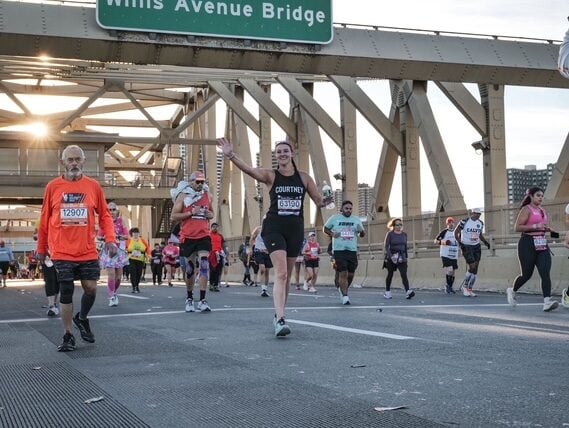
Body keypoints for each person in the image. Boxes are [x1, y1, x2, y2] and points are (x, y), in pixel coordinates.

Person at [219, 137, 330, 337]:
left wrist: (327, 199)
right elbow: (250, 170)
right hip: (274, 227)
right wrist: (231, 155)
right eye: (278, 152)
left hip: (295, 229)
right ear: (276, 156)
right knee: (280, 273)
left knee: (286, 276)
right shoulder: (271, 175)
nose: (282, 154)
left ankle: (279, 313)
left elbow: (319, 202)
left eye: (285, 151)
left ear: (292, 153)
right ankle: (280, 319)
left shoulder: (304, 178)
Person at [37, 144, 117, 352]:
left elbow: (106, 215)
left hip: (87, 250)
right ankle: (68, 334)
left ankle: (81, 318)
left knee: (91, 288)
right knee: (66, 290)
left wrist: (111, 239)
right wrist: (41, 248)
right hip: (62, 250)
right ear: (63, 163)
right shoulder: (53, 187)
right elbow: (44, 219)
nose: (74, 163)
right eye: (69, 160)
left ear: (83, 162)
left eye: (77, 159)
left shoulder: (93, 186)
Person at [506, 187, 559, 312]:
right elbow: (517, 228)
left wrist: (547, 229)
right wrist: (536, 226)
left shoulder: (543, 211)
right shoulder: (526, 209)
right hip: (527, 243)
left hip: (542, 244)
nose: (540, 198)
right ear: (531, 196)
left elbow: (542, 226)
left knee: (545, 273)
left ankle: (547, 301)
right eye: (538, 195)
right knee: (526, 275)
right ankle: (512, 291)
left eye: (542, 196)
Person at [171, 171, 214, 313]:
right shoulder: (183, 196)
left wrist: (209, 214)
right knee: (190, 269)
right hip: (188, 236)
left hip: (204, 235)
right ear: (191, 182)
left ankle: (202, 300)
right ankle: (189, 298)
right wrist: (190, 213)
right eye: (197, 182)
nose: (200, 184)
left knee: (204, 265)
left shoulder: (207, 195)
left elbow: (212, 213)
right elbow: (174, 216)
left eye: (202, 182)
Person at [324, 200, 365, 305]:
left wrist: (361, 231)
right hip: (339, 250)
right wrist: (332, 234)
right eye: (346, 208)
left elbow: (362, 234)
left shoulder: (356, 220)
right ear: (342, 209)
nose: (348, 210)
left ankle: (343, 289)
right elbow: (325, 228)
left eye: (350, 209)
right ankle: (345, 296)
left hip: (352, 250)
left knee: (351, 274)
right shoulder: (335, 218)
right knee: (343, 273)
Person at [98, 202, 129, 306]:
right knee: (111, 274)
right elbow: (98, 236)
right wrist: (104, 238)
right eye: (109, 210)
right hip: (108, 251)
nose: (111, 212)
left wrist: (118, 236)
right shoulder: (104, 221)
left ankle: (114, 292)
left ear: (117, 211)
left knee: (118, 277)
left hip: (119, 250)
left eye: (113, 209)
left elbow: (127, 235)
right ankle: (111, 296)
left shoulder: (121, 221)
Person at [454, 208, 491, 297]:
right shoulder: (464, 221)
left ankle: (470, 289)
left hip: (476, 246)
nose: (478, 215)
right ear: (472, 213)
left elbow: (480, 235)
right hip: (466, 246)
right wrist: (460, 243)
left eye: (479, 214)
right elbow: (456, 232)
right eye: (476, 214)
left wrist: (486, 242)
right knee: (472, 266)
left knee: (475, 269)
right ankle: (465, 286)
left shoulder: (480, 223)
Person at [382, 218, 415, 300]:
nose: (399, 226)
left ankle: (408, 291)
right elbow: (386, 246)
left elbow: (405, 246)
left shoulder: (404, 234)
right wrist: (391, 256)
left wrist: (406, 258)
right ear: (393, 226)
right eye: (397, 225)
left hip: (402, 257)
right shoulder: (390, 234)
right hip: (392, 256)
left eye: (400, 224)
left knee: (404, 274)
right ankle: (387, 292)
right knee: (390, 274)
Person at [434, 217, 460, 294]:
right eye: (449, 223)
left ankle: (450, 287)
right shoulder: (444, 232)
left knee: (453, 272)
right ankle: (448, 286)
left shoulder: (457, 232)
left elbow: (460, 241)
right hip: (445, 254)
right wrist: (444, 242)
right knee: (450, 270)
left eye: (452, 223)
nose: (451, 224)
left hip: (454, 255)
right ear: (447, 224)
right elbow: (435, 241)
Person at [126, 227, 150, 294]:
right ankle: (134, 287)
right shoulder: (128, 241)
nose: (136, 234)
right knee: (133, 272)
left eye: (137, 232)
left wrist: (149, 254)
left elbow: (147, 248)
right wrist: (126, 253)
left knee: (139, 273)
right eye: (134, 233)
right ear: (131, 234)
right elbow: (125, 249)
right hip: (131, 258)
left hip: (140, 259)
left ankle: (137, 285)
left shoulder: (142, 240)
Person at [251, 225, 272, 297]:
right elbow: (252, 238)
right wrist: (251, 249)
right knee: (262, 269)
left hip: (267, 252)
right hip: (259, 251)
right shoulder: (258, 229)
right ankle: (263, 289)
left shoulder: (271, 230)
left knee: (267, 271)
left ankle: (265, 289)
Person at [208, 222, 225, 292]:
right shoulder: (208, 235)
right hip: (211, 254)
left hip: (219, 254)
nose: (215, 228)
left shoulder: (220, 236)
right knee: (212, 270)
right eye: (213, 227)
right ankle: (211, 284)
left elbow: (223, 245)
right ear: (211, 228)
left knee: (218, 270)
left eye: (216, 227)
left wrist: (225, 253)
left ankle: (216, 285)